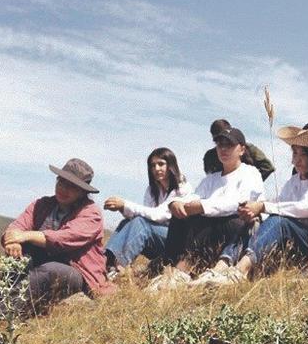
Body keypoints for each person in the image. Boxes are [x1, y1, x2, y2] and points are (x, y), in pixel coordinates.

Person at [0, 158, 111, 322]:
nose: (64, 189)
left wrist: (26, 235)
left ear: (82, 192)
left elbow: (64, 238)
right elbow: (17, 226)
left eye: (72, 186)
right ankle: (2, 304)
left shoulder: (91, 213)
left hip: (79, 274)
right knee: (19, 256)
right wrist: (13, 240)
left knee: (51, 270)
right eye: (61, 182)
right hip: (43, 266)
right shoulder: (42, 205)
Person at [194, 126, 308, 285]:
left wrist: (263, 207)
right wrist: (256, 212)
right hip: (289, 235)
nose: (295, 160)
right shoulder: (293, 181)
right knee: (252, 223)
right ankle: (220, 267)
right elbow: (278, 203)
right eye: (294, 154)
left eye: (301, 155)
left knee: (279, 221)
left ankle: (240, 270)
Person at [149, 127, 264, 290]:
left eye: (229, 145)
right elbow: (193, 197)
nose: (223, 149)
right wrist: (175, 203)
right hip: (211, 229)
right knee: (180, 215)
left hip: (237, 226)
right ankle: (170, 267)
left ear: (242, 149)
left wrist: (202, 206)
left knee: (207, 218)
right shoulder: (211, 179)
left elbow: (239, 203)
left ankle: (183, 269)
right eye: (220, 145)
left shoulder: (250, 173)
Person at [102, 148, 191, 278]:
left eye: (161, 164)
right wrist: (122, 208)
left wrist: (125, 204)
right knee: (128, 221)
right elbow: (144, 214)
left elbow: (158, 215)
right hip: (159, 240)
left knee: (141, 223)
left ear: (170, 165)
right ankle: (106, 259)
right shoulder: (152, 190)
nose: (156, 168)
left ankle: (117, 266)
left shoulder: (182, 187)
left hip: (177, 241)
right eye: (153, 165)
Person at [201, 119, 275, 180]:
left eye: (228, 143)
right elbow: (210, 178)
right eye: (219, 141)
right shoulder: (209, 156)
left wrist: (251, 182)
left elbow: (268, 167)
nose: (224, 148)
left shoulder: (248, 148)